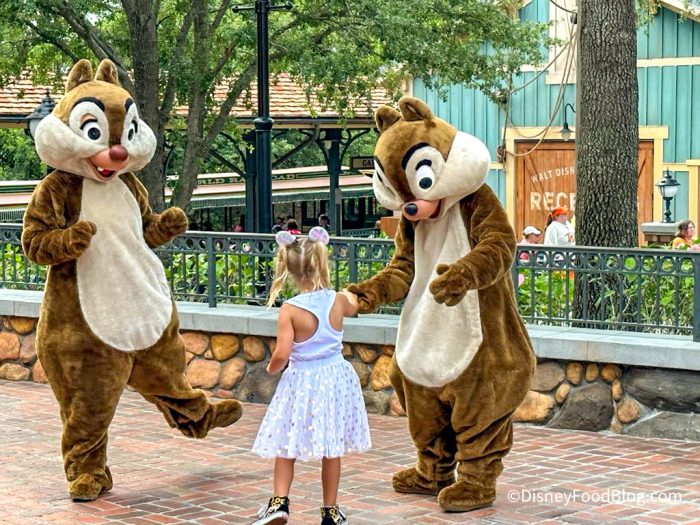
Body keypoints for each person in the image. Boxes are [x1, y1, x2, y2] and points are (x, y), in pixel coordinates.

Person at [251, 227, 371, 525]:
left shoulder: (290, 310)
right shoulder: (338, 300)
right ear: (321, 262)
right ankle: (330, 511)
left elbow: (281, 354)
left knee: (285, 442)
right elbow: (356, 303)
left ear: (288, 269)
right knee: (331, 448)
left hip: (302, 380)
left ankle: (279, 503)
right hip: (334, 377)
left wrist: (270, 369)